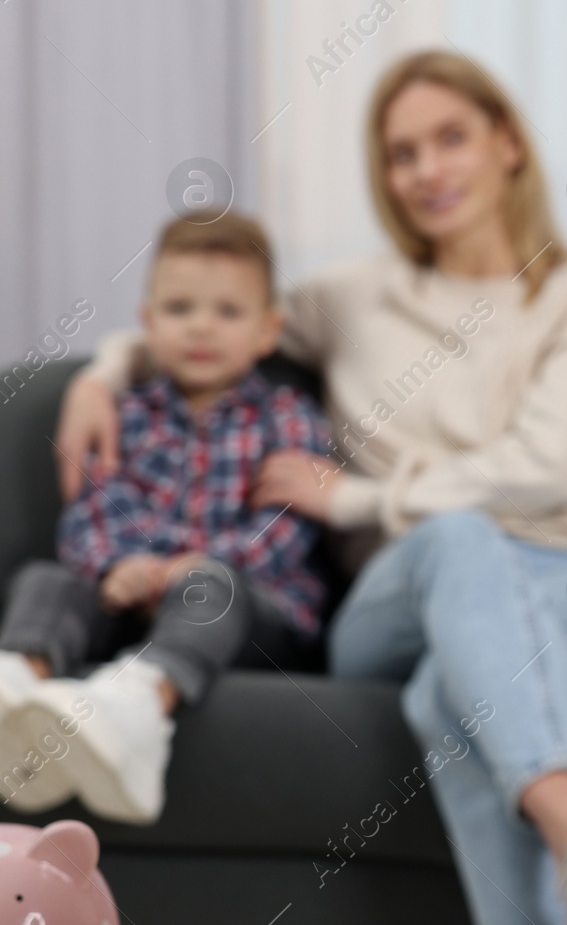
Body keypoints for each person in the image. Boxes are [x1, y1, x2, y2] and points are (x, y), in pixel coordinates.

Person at [54, 51, 567, 925]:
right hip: (404, 594)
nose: (426, 171)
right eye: (401, 152)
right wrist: (99, 374)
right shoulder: (352, 296)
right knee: (459, 538)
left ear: (507, 143)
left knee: (446, 697)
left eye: (450, 138)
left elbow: (554, 466)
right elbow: (207, 318)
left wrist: (360, 497)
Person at [1, 212, 329, 825]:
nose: (201, 327)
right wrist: (120, 566)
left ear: (267, 332)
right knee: (49, 578)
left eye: (228, 313)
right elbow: (94, 507)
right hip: (132, 594)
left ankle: (140, 707)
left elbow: (284, 529)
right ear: (148, 323)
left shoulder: (288, 416)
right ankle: (20, 683)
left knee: (212, 586)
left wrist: (188, 568)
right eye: (180, 309)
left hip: (246, 607)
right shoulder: (125, 412)